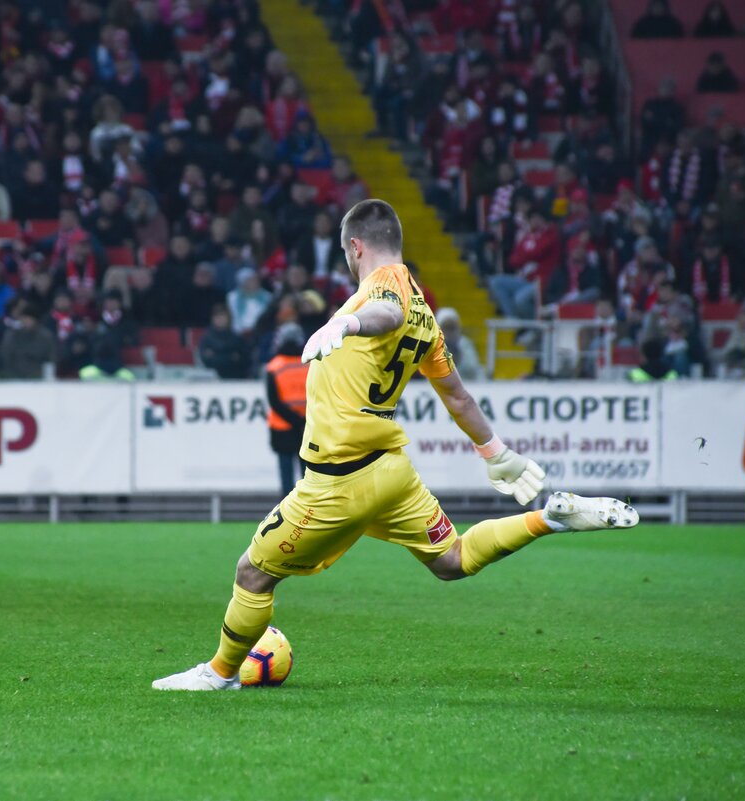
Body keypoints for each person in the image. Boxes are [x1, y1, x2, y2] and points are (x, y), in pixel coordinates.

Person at [153, 199, 639, 692]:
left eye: (347, 253)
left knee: (253, 572)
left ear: (356, 247)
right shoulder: (425, 314)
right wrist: (496, 453)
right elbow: (457, 394)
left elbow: (385, 313)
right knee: (452, 560)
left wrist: (347, 323)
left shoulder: (383, 288)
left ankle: (219, 675)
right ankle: (550, 518)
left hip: (340, 480)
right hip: (391, 474)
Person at [263, 323, 308, 497]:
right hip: (307, 426)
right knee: (308, 476)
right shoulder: (311, 363)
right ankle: (309, 510)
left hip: (282, 428)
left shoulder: (274, 366)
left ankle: (287, 510)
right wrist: (302, 421)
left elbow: (274, 401)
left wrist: (293, 420)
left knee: (286, 475)